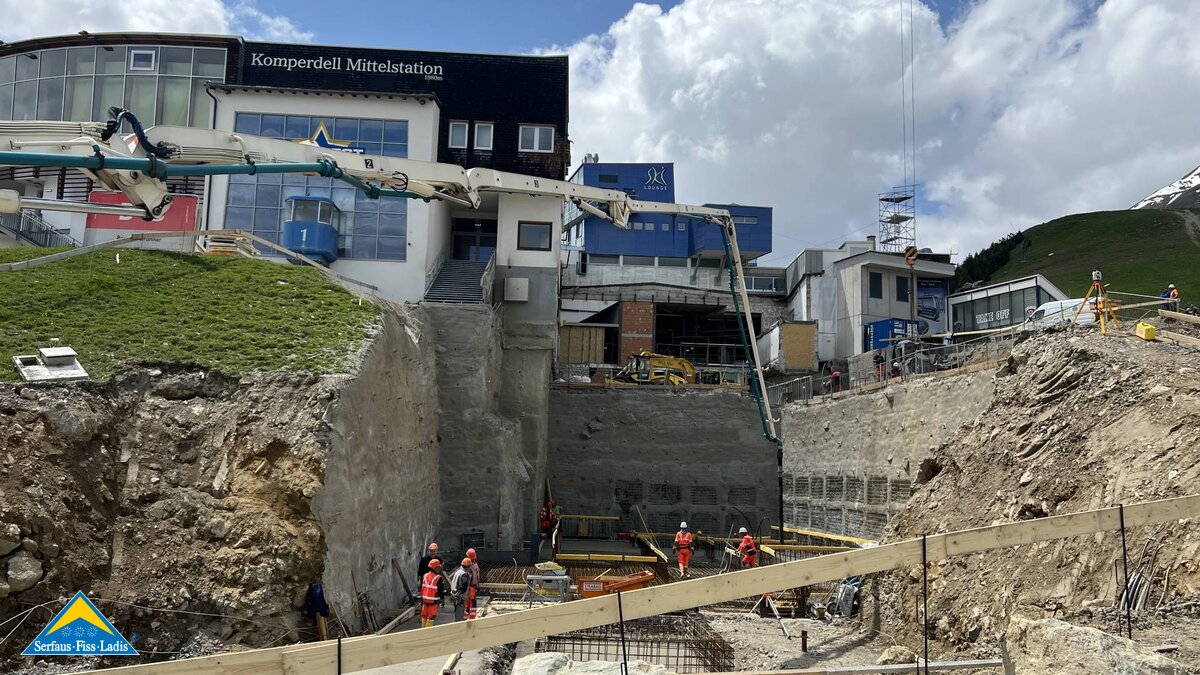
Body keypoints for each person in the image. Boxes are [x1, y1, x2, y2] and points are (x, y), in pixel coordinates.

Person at [419, 558, 443, 628]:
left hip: (425, 599)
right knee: (431, 617)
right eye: (438, 567)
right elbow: (440, 590)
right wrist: (442, 599)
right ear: (435, 568)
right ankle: (428, 631)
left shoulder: (425, 575)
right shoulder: (438, 577)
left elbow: (422, 587)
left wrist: (422, 599)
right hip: (433, 600)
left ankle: (423, 630)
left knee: (424, 615)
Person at [465, 547, 480, 619]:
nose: (473, 559)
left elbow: (477, 576)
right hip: (469, 588)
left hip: (473, 587)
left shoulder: (475, 565)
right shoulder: (466, 565)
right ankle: (466, 619)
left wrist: (477, 586)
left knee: (473, 603)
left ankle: (472, 619)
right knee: (468, 604)